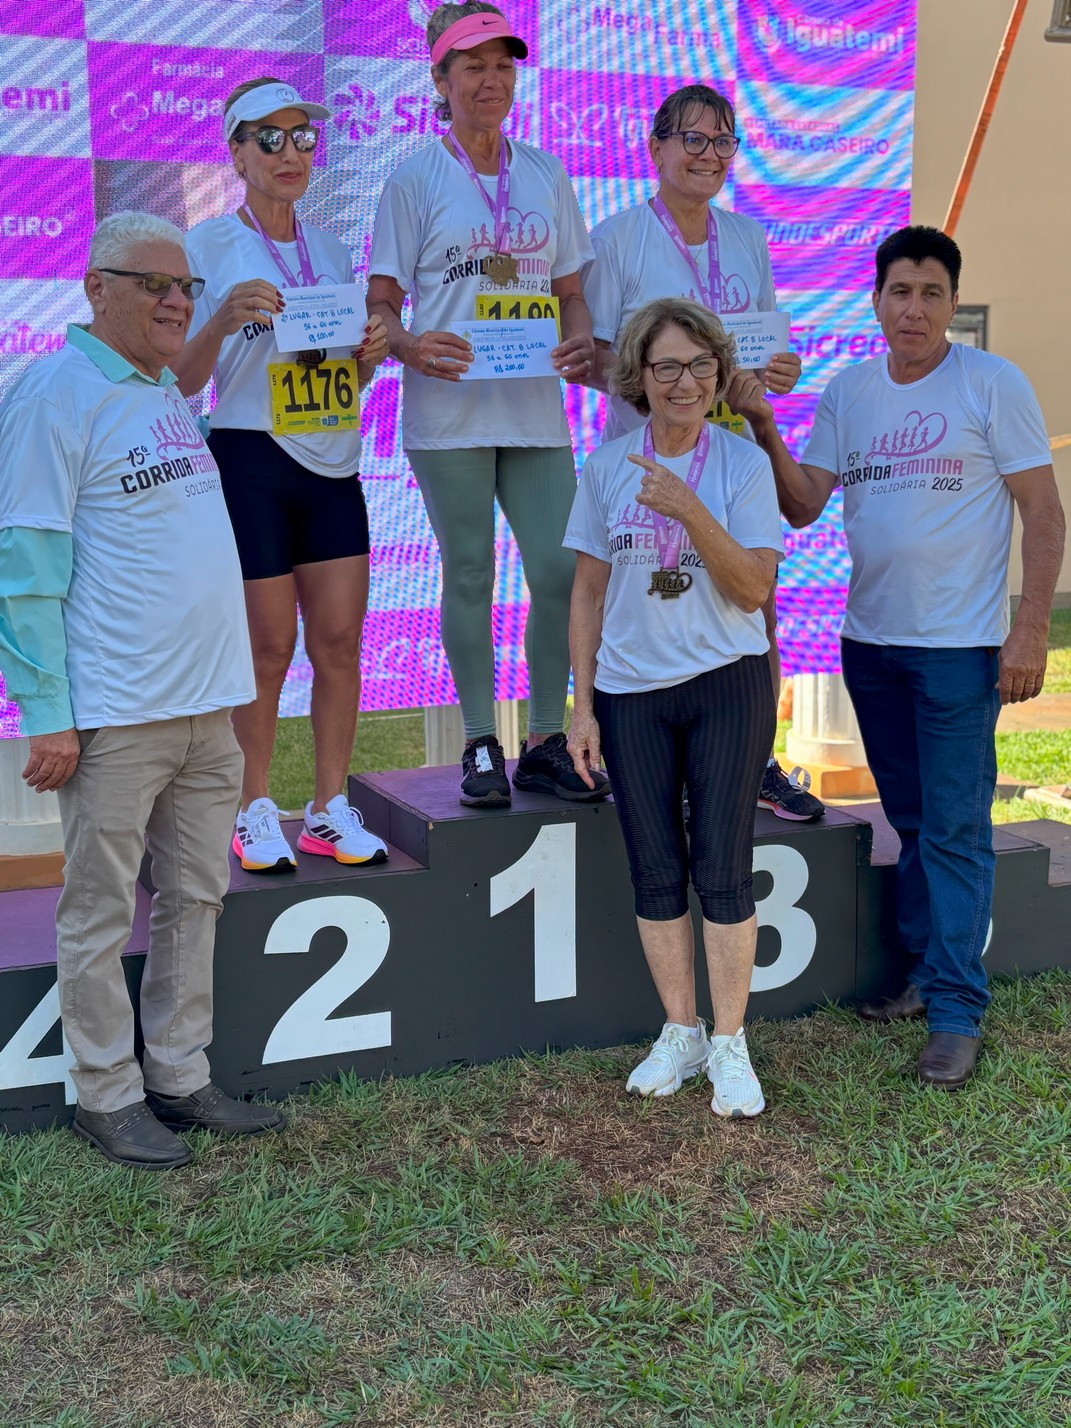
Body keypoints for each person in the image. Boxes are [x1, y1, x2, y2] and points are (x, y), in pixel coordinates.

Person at [730, 225, 1067, 1089]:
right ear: (874, 302)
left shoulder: (991, 384)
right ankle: (923, 974)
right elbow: (804, 505)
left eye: (931, 293)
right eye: (899, 292)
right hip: (871, 645)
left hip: (959, 650)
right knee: (912, 819)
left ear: (952, 304)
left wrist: (1026, 630)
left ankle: (957, 1011)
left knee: (954, 830)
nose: (913, 309)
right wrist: (766, 429)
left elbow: (1043, 512)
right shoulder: (848, 393)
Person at [0, 211, 286, 1169]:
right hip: (120, 715)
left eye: (187, 288)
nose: (176, 301)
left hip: (211, 709)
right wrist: (48, 712)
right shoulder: (55, 392)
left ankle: (177, 1072)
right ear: (96, 288)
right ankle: (105, 1093)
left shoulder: (160, 387)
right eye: (155, 285)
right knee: (96, 909)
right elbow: (25, 566)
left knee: (195, 897)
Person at [367, 0, 609, 807]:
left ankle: (544, 738)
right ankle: (479, 742)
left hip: (536, 410)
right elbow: (381, 306)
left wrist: (578, 339)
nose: (491, 79)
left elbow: (572, 291)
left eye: (503, 64)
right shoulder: (414, 177)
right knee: (469, 572)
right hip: (451, 414)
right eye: (472, 65)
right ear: (439, 78)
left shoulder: (544, 173)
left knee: (557, 568)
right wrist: (407, 346)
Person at [581, 82, 823, 824]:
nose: (707, 156)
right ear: (654, 148)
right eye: (692, 139)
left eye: (722, 142)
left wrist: (776, 373)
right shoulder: (618, 237)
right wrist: (664, 394)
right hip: (643, 458)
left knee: (755, 601)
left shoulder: (744, 237)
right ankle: (640, 756)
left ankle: (756, 760)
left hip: (729, 455)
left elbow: (758, 344)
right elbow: (592, 353)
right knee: (644, 603)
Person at [565, 298, 783, 1117]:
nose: (683, 382)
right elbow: (586, 593)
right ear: (638, 378)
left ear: (718, 373)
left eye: (698, 365)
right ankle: (681, 1032)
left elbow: (754, 587)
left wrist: (690, 509)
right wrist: (580, 705)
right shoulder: (607, 465)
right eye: (665, 367)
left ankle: (729, 1044)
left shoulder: (739, 467)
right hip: (628, 693)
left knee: (722, 867)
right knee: (654, 865)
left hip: (726, 680)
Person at [170, 77, 391, 874]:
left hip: (330, 459)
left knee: (338, 640)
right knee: (267, 647)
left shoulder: (330, 250)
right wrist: (225, 316)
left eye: (303, 137)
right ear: (235, 153)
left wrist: (364, 365)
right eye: (270, 138)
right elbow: (184, 381)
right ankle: (251, 807)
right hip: (249, 457)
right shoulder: (203, 247)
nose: (291, 152)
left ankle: (328, 808)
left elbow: (335, 379)